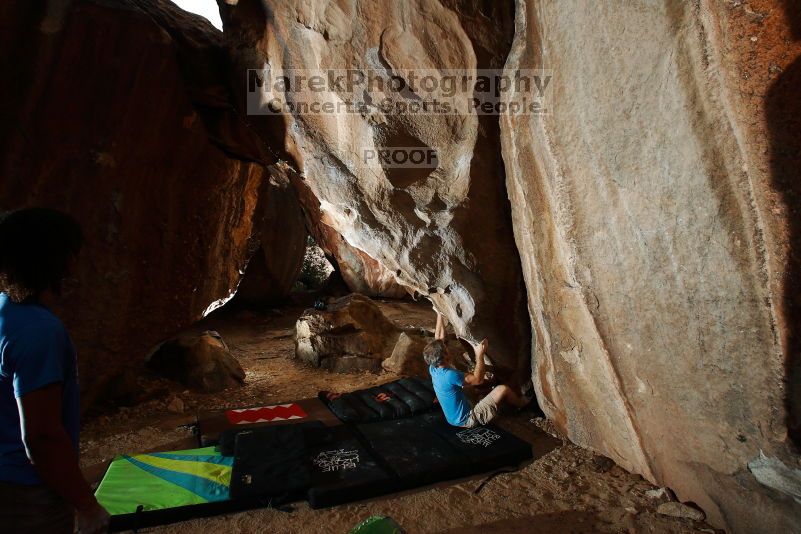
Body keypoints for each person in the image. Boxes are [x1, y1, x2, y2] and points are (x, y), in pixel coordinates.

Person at [0, 208, 109, 534]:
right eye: (71, 254)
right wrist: (86, 506)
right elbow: (41, 436)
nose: (75, 264)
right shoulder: (40, 332)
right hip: (27, 493)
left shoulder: (6, 313)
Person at [425, 312, 531, 428]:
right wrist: (479, 354)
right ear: (444, 357)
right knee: (502, 389)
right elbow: (478, 380)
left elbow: (439, 339)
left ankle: (483, 396)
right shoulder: (450, 375)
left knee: (475, 384)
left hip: (453, 418)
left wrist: (439, 314)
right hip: (468, 419)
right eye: (446, 349)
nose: (447, 347)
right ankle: (522, 403)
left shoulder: (433, 367)